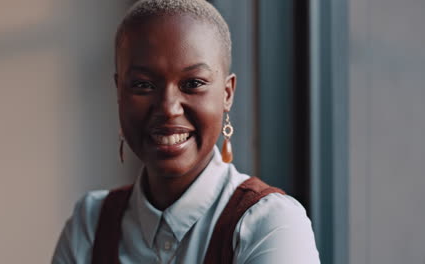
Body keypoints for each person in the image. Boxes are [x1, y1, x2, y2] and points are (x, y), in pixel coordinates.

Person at [52, 0, 320, 263]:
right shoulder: (90, 224)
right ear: (119, 92)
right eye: (143, 85)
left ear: (227, 94)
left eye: (193, 83)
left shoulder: (270, 225)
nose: (168, 108)